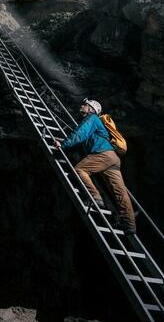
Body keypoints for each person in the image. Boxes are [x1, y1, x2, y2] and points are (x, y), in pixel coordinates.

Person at [54, 99, 136, 235]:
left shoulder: (92, 118)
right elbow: (81, 142)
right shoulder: (96, 123)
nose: (82, 106)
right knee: (120, 192)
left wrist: (63, 145)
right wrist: (65, 143)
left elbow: (80, 134)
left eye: (85, 105)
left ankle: (95, 197)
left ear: (91, 109)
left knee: (80, 170)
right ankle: (129, 224)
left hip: (102, 154)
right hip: (113, 158)